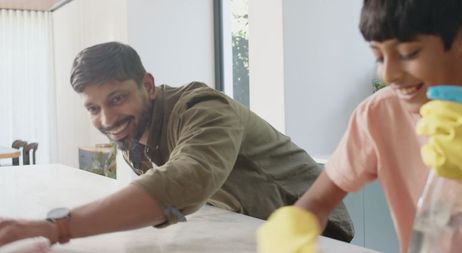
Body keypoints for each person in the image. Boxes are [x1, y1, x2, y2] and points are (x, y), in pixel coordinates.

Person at [0, 42, 353, 247]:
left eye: (117, 98)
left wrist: (57, 227)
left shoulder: (203, 107)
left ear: (148, 86)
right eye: (94, 108)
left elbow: (187, 177)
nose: (107, 120)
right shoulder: (133, 129)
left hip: (316, 227)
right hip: (246, 227)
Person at [257, 0, 462, 253]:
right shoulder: (380, 113)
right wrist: (296, 224)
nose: (390, 74)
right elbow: (319, 200)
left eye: (408, 54)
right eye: (379, 57)